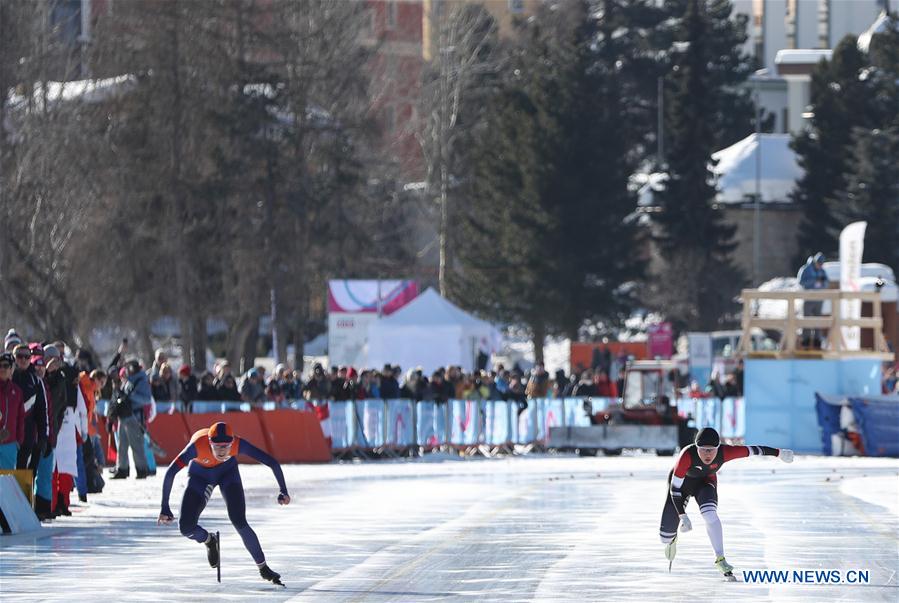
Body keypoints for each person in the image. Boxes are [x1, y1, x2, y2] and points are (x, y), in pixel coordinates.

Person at [157, 421, 289, 585]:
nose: (222, 450)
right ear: (209, 442)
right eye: (217, 446)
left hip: (228, 474)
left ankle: (263, 568)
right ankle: (209, 540)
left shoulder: (239, 444)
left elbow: (271, 462)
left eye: (226, 446)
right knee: (185, 527)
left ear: (232, 442)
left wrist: (283, 490)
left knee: (239, 521)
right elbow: (170, 472)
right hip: (200, 477)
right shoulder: (197, 446)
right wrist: (165, 506)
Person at [659, 427, 794, 578]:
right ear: (697, 447)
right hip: (681, 487)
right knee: (665, 537)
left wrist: (779, 453)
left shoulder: (726, 452)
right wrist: (683, 516)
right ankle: (672, 539)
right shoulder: (686, 456)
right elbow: (675, 490)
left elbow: (755, 450)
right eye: (703, 449)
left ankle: (720, 559)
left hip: (705, 483)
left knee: (710, 514)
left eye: (712, 450)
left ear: (719, 448)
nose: (708, 454)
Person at [797, 252, 829, 348]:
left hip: (819, 299)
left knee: (817, 321)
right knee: (807, 320)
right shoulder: (806, 269)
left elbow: (826, 283)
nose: (820, 265)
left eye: (821, 264)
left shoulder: (822, 271)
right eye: (818, 263)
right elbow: (801, 282)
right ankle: (806, 341)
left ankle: (817, 342)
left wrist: (822, 282)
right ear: (815, 261)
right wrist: (814, 281)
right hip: (808, 299)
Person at [0, 352, 25, 469]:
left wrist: (18, 440)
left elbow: (21, 418)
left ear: (11, 369)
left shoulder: (17, 392)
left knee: (6, 480)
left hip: (10, 444)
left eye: (5, 366)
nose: (2, 369)